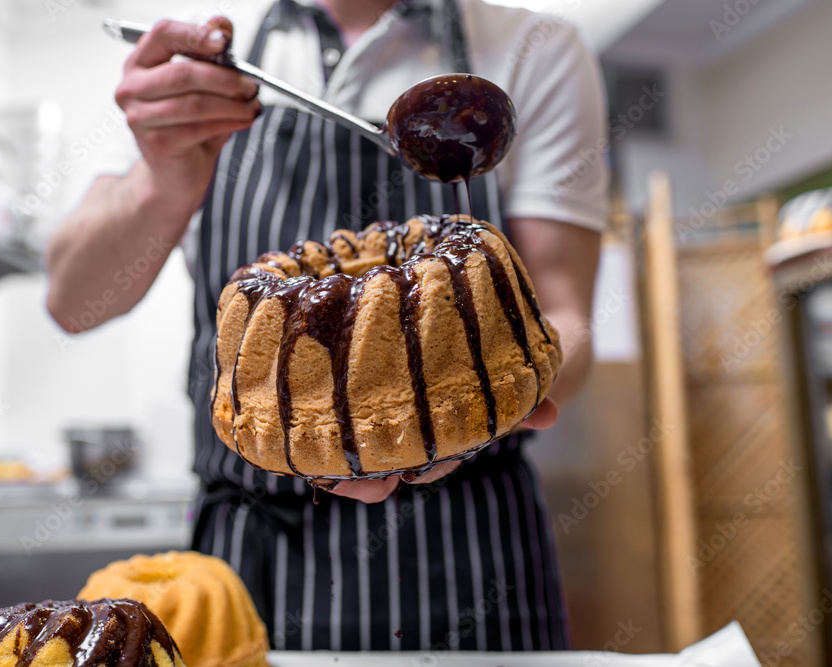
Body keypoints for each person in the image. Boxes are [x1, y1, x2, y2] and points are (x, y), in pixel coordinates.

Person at [45, 0, 607, 651]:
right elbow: (73, 301)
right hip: (253, 558)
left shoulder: (533, 47)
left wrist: (480, 406)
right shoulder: (201, 62)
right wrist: (163, 179)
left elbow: (564, 313)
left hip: (471, 547)